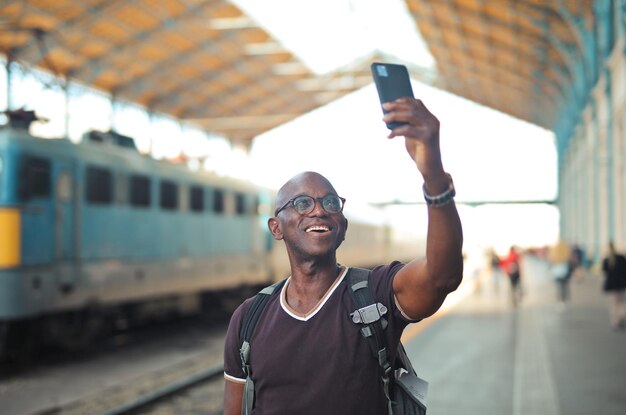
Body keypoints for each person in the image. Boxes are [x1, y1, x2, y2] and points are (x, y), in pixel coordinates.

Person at [222, 97, 464, 414]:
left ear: (343, 226)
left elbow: (441, 276)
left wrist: (433, 174)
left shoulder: (375, 296)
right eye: (302, 203)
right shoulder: (249, 318)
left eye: (331, 203)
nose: (320, 210)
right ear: (276, 228)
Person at [601, 241, 626, 330]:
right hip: (622, 284)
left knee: (614, 304)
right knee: (621, 302)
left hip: (612, 285)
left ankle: (615, 321)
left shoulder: (606, 260)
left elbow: (604, 273)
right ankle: (621, 316)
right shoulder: (621, 258)